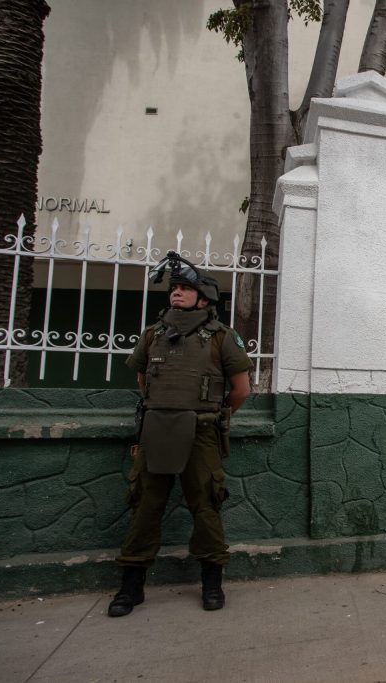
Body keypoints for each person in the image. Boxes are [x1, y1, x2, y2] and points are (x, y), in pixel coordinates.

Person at [107, 252, 252, 617]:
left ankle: (212, 582)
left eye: (185, 288)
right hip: (156, 430)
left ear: (205, 298)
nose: (176, 293)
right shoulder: (153, 334)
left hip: (201, 433)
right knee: (145, 506)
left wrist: (212, 416)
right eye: (174, 288)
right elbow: (143, 381)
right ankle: (131, 586)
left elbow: (241, 389)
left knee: (205, 505)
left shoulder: (221, 337)